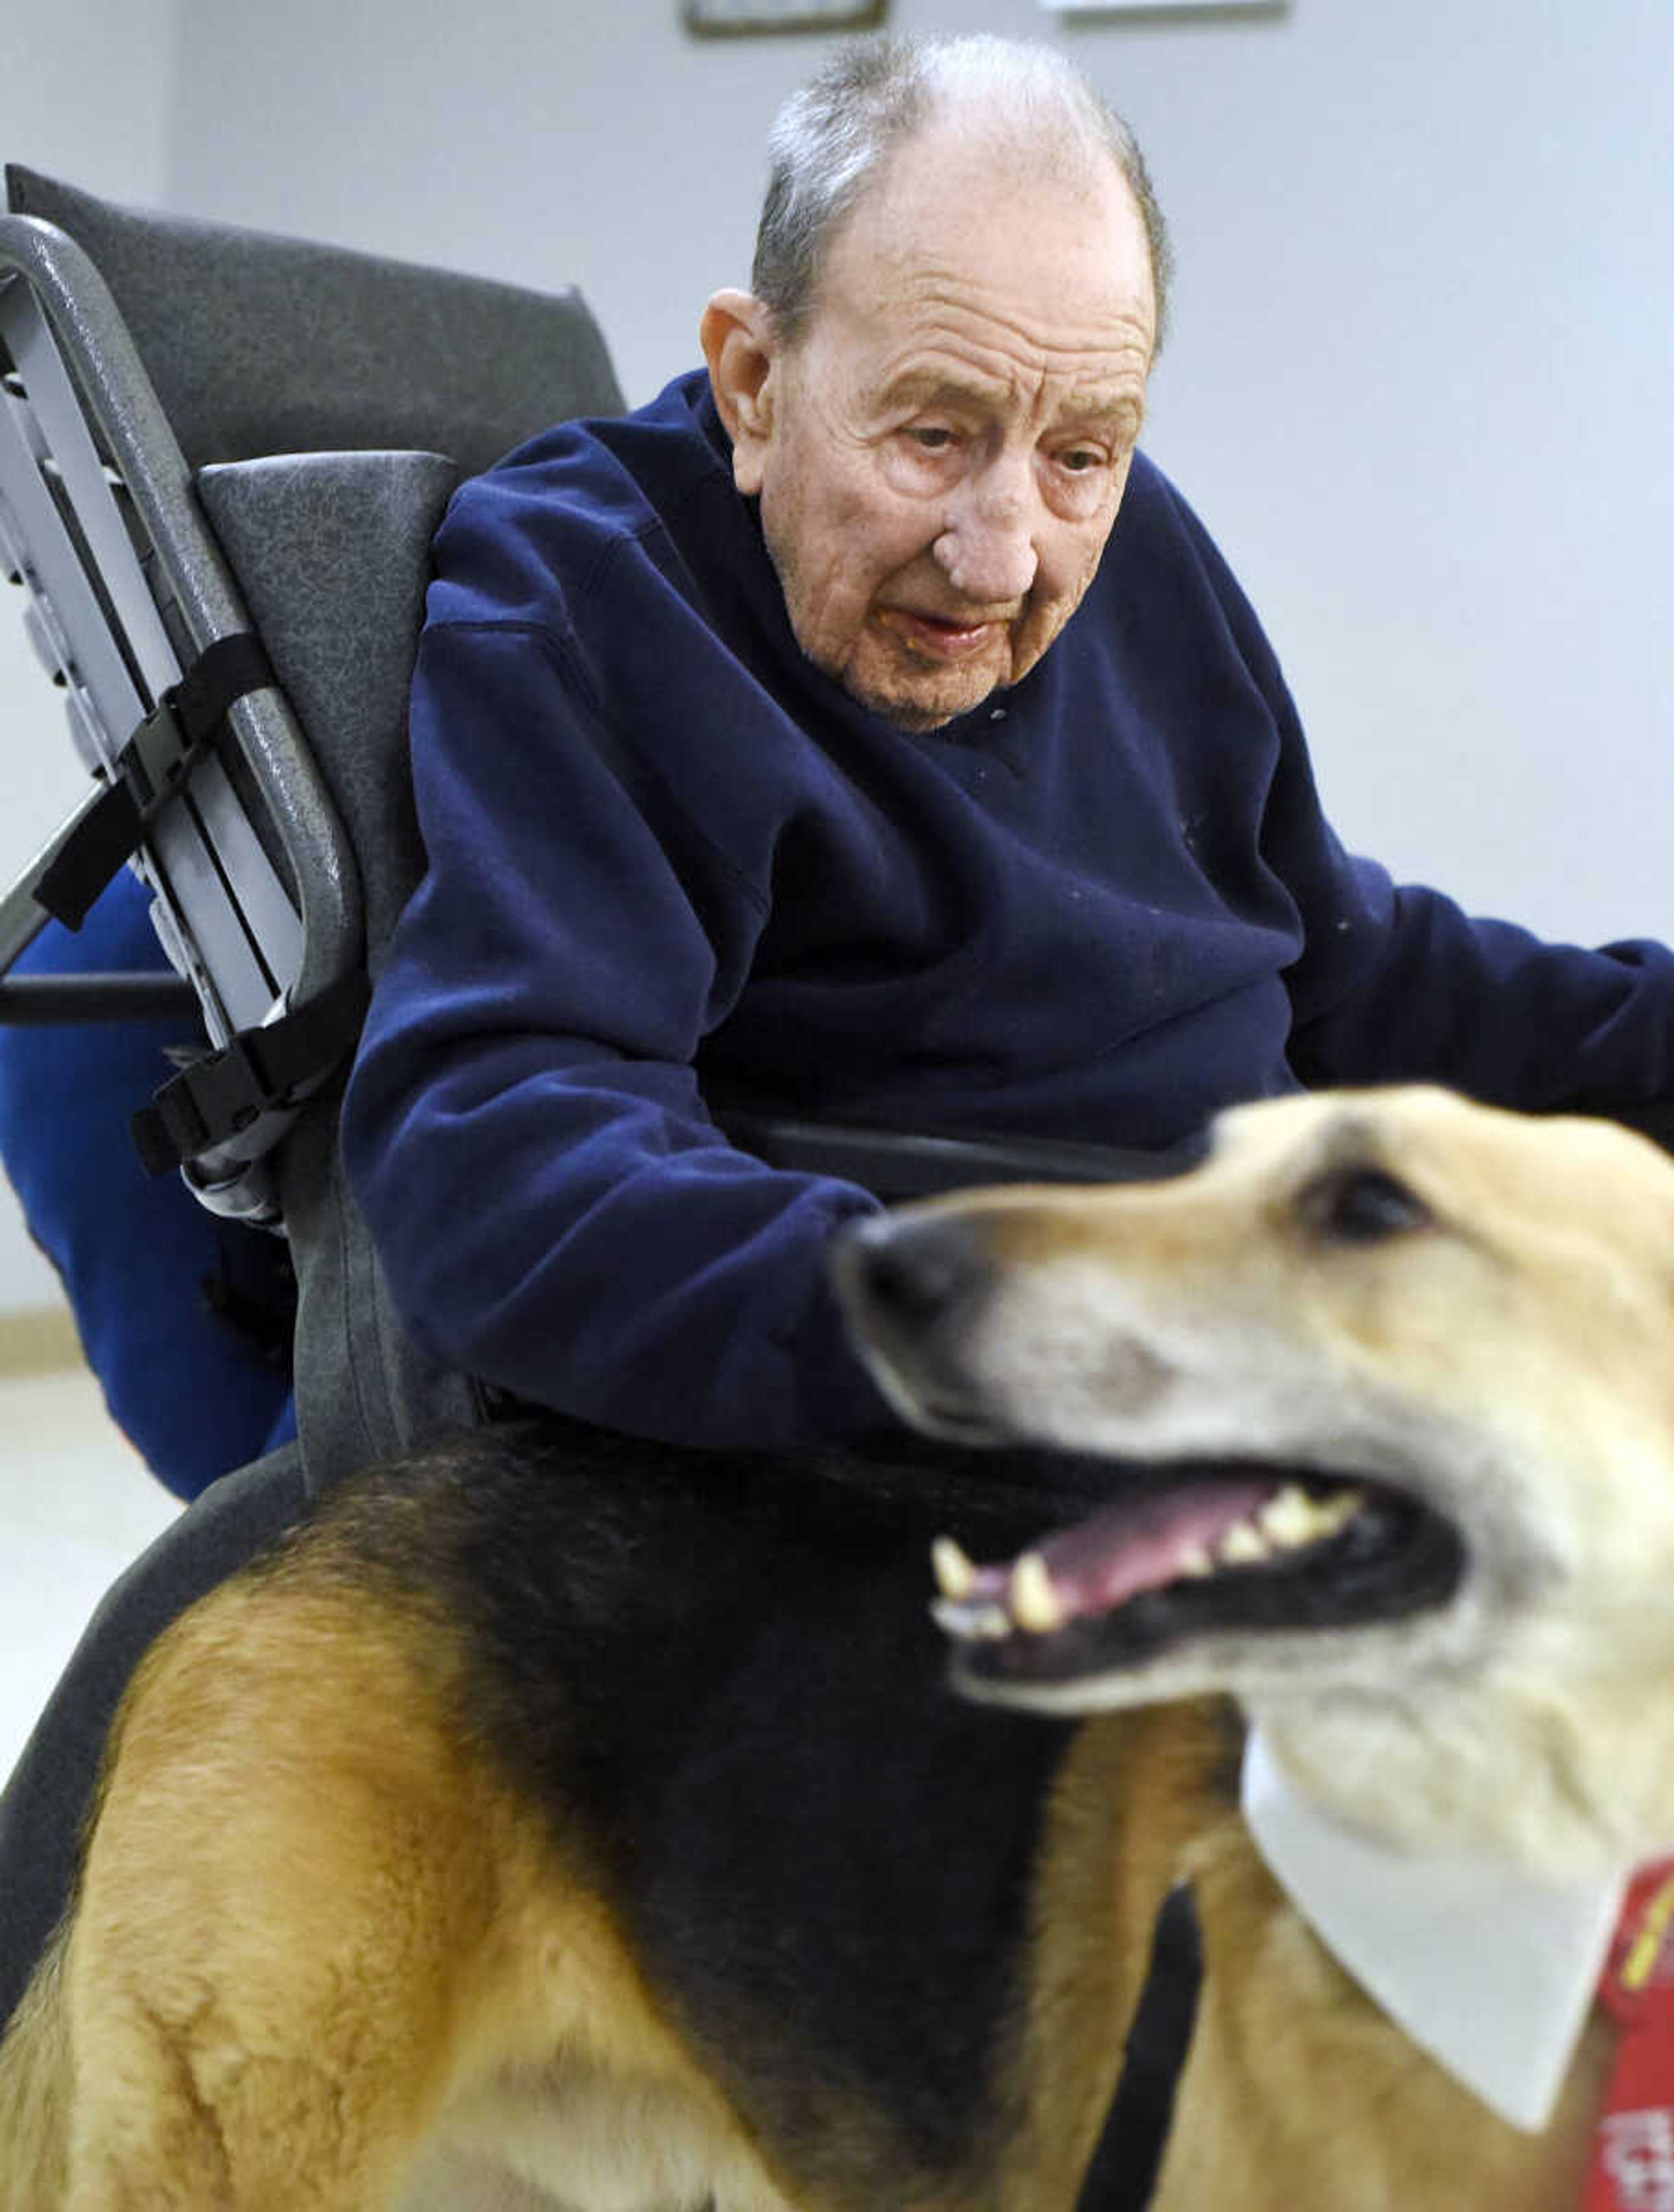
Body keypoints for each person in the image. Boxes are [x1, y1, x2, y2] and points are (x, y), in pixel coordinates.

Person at [340, 31, 1673, 1457]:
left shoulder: (1132, 536)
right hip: (1028, 1419)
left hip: (1286, 1304)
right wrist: (985, 1335)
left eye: (1080, 454)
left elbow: (1332, 960)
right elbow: (503, 1148)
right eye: (931, 436)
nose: (999, 557)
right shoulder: (591, 595)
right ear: (753, 382)